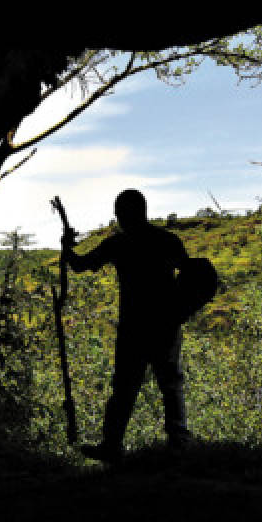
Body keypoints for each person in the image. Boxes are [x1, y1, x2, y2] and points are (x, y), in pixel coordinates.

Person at [62, 189, 194, 462]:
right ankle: (179, 444)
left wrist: (66, 246)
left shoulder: (118, 244)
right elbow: (191, 272)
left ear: (122, 213)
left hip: (133, 328)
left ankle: (112, 446)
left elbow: (79, 265)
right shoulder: (167, 240)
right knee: (170, 384)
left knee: (124, 389)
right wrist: (180, 309)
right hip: (165, 325)